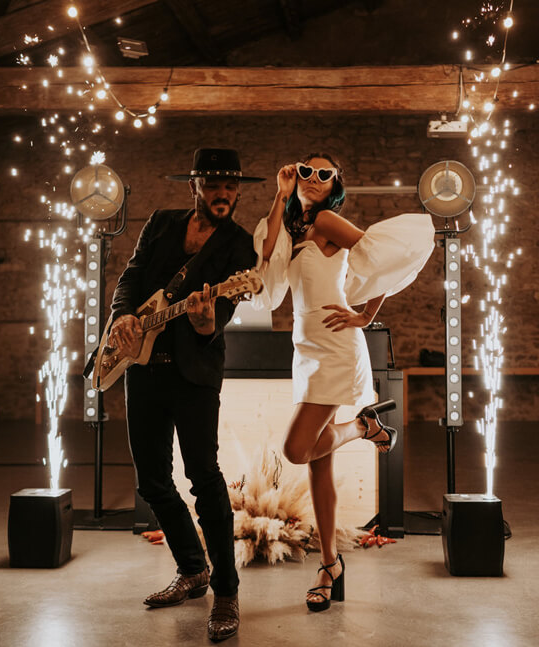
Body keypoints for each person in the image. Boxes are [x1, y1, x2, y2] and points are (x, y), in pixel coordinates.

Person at [253, 153, 434, 612]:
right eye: (305, 171)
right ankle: (330, 565)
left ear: (335, 184)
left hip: (335, 347)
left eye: (324, 174)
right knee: (319, 464)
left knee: (297, 449)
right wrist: (279, 194)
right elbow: (264, 259)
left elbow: (381, 260)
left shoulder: (327, 220)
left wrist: (366, 315)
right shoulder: (293, 229)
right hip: (305, 349)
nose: (313, 178)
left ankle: (362, 426)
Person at [108, 148, 262, 642]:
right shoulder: (161, 223)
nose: (223, 194)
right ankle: (192, 569)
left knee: (203, 478)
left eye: (231, 186)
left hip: (194, 376)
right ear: (195, 185)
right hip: (142, 368)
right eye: (214, 185)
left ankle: (227, 592)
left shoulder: (239, 246)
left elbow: (222, 318)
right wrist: (123, 315)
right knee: (152, 481)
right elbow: (132, 275)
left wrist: (205, 320)